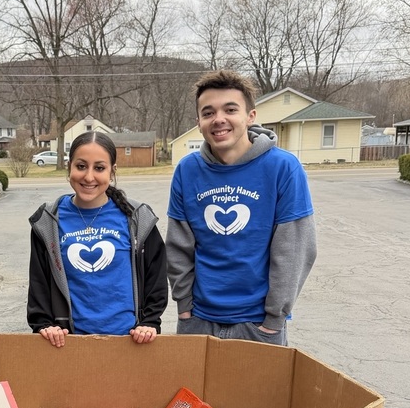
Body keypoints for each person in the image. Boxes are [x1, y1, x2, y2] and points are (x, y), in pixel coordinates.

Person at [166, 69, 316, 345]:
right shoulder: (187, 171)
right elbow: (179, 248)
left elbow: (294, 250)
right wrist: (185, 308)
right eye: (208, 112)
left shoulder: (283, 167)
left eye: (230, 109)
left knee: (260, 391)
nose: (219, 119)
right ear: (198, 122)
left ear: (250, 116)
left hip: (258, 324)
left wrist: (274, 320)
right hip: (198, 320)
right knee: (191, 391)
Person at [27, 131, 167, 346]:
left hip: (129, 340)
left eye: (99, 168)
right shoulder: (47, 221)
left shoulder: (137, 217)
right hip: (68, 342)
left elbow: (155, 275)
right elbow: (39, 281)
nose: (89, 177)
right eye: (81, 166)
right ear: (69, 167)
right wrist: (44, 324)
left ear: (112, 172)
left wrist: (149, 321)